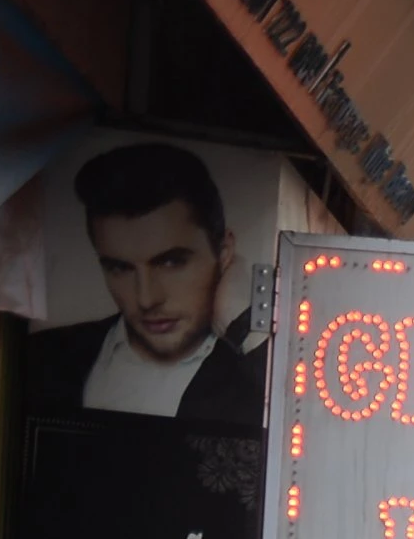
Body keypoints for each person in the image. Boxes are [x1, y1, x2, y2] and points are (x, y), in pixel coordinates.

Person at [26, 142, 268, 424]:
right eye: (120, 268)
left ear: (224, 252)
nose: (146, 299)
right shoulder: (45, 356)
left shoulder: (253, 370)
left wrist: (245, 324)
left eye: (171, 262)